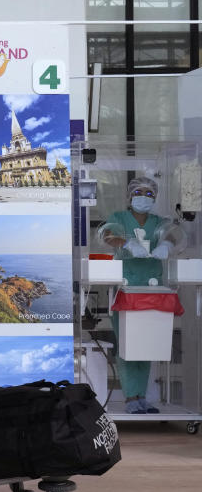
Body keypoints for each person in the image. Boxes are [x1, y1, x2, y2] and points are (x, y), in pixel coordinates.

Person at [102, 176, 172, 414]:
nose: (144, 197)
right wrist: (128, 243)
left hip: (153, 289)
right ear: (130, 196)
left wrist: (167, 245)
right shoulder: (119, 218)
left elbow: (174, 234)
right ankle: (131, 397)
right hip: (126, 287)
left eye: (149, 193)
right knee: (128, 344)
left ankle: (142, 397)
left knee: (148, 344)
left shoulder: (159, 222)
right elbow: (107, 235)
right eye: (139, 192)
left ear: (155, 197)